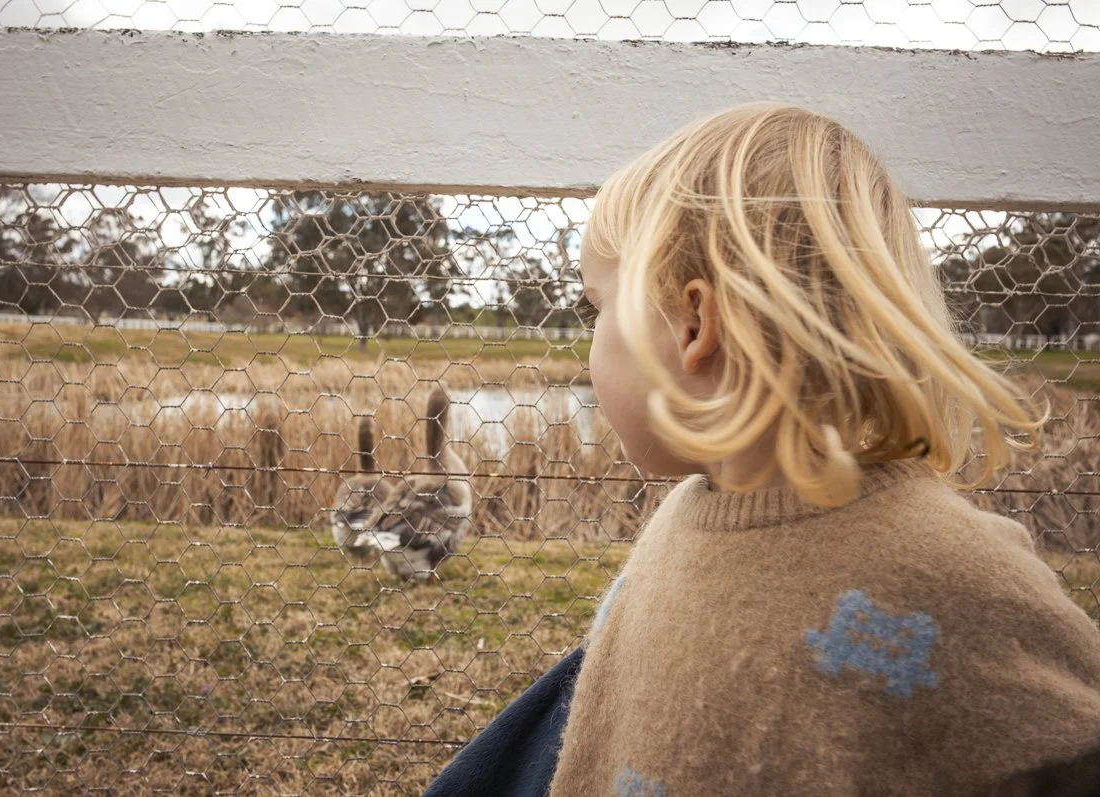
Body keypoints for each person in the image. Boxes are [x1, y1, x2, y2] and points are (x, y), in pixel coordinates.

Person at [428, 103, 1100, 797]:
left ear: (694, 322)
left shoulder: (961, 575)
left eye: (597, 308)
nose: (589, 339)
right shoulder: (683, 521)